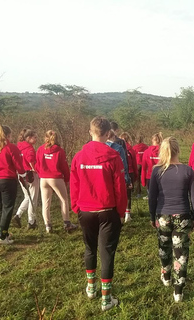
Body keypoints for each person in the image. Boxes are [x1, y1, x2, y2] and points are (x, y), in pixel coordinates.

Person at [70, 116, 127, 311]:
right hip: (107, 212)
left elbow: (74, 184)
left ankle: (91, 288)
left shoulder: (79, 156)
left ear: (90, 131)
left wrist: (75, 206)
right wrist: (121, 212)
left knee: (89, 249)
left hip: (85, 211)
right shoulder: (114, 157)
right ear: (108, 133)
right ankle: (106, 299)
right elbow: (120, 188)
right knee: (107, 253)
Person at [148, 137, 194, 303]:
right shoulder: (187, 170)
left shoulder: (156, 171)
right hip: (183, 216)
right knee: (181, 252)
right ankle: (178, 291)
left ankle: (166, 276)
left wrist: (152, 216)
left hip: (162, 215)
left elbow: (152, 197)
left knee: (164, 247)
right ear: (178, 150)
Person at [0, 125, 26, 245]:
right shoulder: (11, 148)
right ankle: (2, 236)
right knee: (7, 209)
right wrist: (23, 175)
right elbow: (19, 166)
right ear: (7, 135)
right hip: (7, 181)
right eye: (11, 135)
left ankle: (4, 233)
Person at [36, 130, 77, 233]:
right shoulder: (59, 151)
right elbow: (64, 167)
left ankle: (48, 225)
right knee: (63, 200)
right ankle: (67, 223)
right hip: (56, 178)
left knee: (46, 203)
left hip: (43, 179)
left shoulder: (40, 149)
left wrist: (41, 173)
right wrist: (67, 179)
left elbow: (37, 165)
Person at [12, 129, 39, 230]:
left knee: (27, 196)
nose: (36, 139)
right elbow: (31, 160)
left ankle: (18, 215)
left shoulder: (18, 147)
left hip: (21, 174)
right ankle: (31, 221)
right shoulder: (30, 149)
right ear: (28, 138)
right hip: (30, 175)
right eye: (35, 137)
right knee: (33, 198)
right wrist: (35, 170)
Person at [120, 132, 138, 222]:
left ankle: (121, 214)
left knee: (119, 194)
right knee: (128, 195)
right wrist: (136, 175)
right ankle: (128, 215)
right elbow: (135, 164)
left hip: (120, 173)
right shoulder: (131, 150)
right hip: (130, 173)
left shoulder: (115, 149)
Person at [141, 132, 163, 199]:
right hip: (162, 176)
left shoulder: (147, 152)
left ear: (153, 140)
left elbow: (144, 168)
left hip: (150, 176)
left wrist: (143, 180)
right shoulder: (164, 151)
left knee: (152, 197)